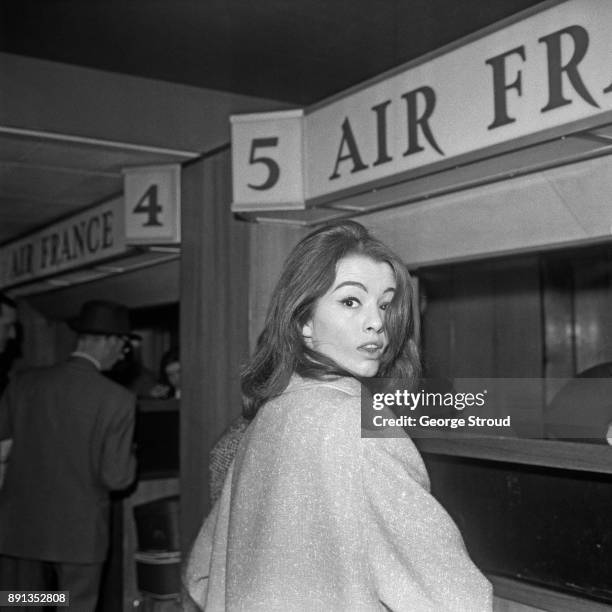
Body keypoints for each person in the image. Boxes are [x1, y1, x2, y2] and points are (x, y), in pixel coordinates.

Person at [184, 220, 492, 611]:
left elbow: (201, 575)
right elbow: (455, 598)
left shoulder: (270, 416)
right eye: (350, 301)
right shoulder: (356, 423)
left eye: (384, 304)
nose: (377, 323)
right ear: (303, 322)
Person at [0, 299, 137, 611]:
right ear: (109, 341)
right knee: (73, 605)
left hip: (18, 527)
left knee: (20, 602)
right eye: (123, 344)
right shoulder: (118, 400)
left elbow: (1, 451)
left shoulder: (22, 384)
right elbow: (116, 478)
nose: (123, 353)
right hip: (79, 535)